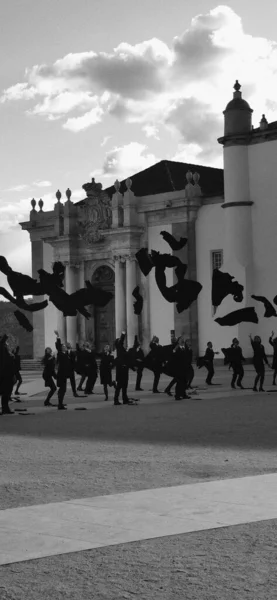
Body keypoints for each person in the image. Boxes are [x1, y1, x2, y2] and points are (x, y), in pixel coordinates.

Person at [113, 331, 133, 405]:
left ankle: (125, 399)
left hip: (124, 369)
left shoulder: (121, 349)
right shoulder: (119, 347)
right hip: (121, 370)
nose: (122, 342)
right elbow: (121, 340)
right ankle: (116, 400)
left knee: (124, 385)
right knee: (119, 386)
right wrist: (123, 334)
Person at [54, 331, 73, 409]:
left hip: (64, 374)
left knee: (63, 390)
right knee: (62, 389)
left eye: (65, 346)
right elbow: (58, 346)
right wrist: (58, 336)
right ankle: (60, 404)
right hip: (61, 374)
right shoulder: (60, 353)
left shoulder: (66, 354)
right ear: (62, 348)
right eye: (64, 346)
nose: (65, 347)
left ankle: (60, 403)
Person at [0, 334, 16, 414]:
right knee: (5, 391)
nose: (7, 343)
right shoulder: (2, 347)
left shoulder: (5, 348)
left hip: (8, 373)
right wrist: (6, 335)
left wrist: (12, 355)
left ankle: (5, 408)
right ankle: (5, 408)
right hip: (4, 373)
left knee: (7, 392)